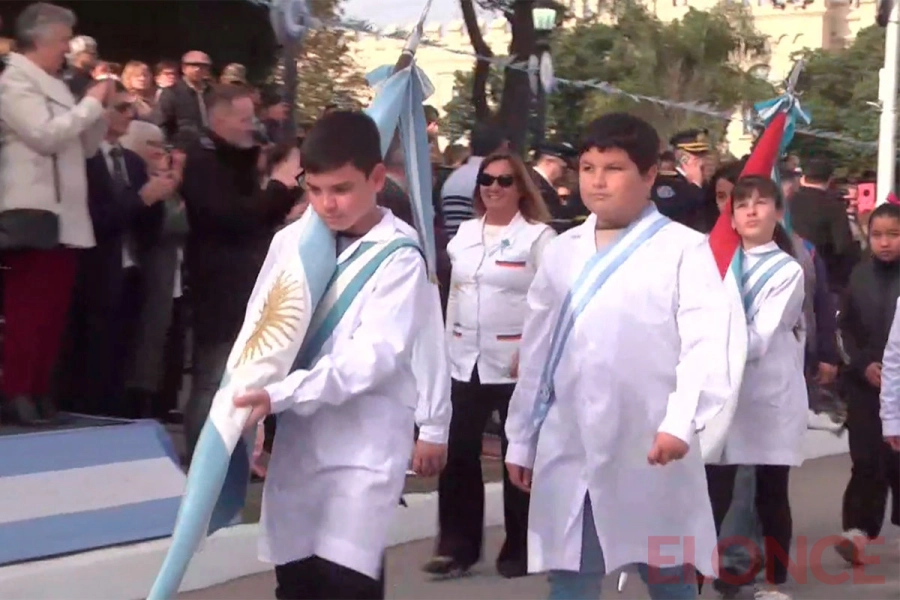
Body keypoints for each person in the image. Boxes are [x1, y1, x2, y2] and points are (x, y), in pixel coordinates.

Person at [504, 113, 735, 600]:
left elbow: (706, 345)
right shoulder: (562, 251)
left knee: (668, 575)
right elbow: (538, 353)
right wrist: (522, 437)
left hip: (651, 443)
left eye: (613, 169)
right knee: (572, 574)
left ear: (650, 174)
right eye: (587, 168)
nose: (597, 181)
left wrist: (680, 422)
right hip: (572, 442)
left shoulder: (685, 251)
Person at [232, 110, 450, 600]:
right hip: (297, 442)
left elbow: (374, 357)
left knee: (346, 582)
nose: (327, 204)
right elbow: (260, 327)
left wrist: (435, 422)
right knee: (296, 580)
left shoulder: (399, 256)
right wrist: (254, 401)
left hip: (363, 447)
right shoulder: (292, 241)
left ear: (377, 178)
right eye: (315, 190)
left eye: (342, 189)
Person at [424, 151, 555, 579]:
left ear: (521, 188)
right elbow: (455, 294)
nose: (493, 188)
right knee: (458, 451)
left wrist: (534, 349)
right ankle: (456, 547)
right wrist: (442, 350)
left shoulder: (538, 238)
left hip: (516, 363)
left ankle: (521, 545)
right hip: (465, 360)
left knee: (518, 453)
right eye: (486, 180)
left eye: (503, 180)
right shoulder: (463, 234)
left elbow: (552, 301)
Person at [0, 2, 112, 424]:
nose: (68, 49)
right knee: (28, 308)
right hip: (34, 210)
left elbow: (80, 146)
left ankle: (40, 387)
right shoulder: (14, 82)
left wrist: (98, 109)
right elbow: (45, 137)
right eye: (64, 39)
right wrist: (89, 106)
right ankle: (16, 391)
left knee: (52, 311)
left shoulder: (56, 84)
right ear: (41, 38)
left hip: (67, 214)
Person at [179, 84, 301, 458]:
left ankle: (230, 453)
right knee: (213, 374)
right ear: (220, 118)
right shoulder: (202, 160)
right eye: (245, 119)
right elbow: (234, 217)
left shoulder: (238, 158)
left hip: (246, 282)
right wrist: (279, 187)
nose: (253, 126)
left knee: (241, 375)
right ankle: (201, 454)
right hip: (218, 284)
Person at [705, 175, 808, 600]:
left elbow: (760, 337)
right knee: (718, 486)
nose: (749, 210)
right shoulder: (713, 260)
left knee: (768, 488)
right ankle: (715, 569)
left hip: (765, 394)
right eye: (740, 203)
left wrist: (707, 342)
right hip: (721, 392)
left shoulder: (787, 269)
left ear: (777, 213)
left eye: (760, 203)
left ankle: (772, 580)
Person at [835, 202, 900, 565]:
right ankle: (857, 533)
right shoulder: (858, 277)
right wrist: (863, 366)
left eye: (893, 234)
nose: (885, 243)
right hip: (865, 387)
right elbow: (843, 332)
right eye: (877, 235)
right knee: (866, 460)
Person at [650, 129, 709, 232]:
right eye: (695, 155)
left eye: (702, 155)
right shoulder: (666, 182)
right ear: (681, 157)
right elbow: (675, 210)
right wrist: (695, 186)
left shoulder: (706, 183)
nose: (701, 160)